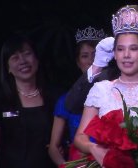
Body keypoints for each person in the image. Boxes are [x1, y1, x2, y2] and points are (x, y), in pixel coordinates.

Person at [74, 5, 138, 166]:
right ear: (114, 53)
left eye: (133, 49)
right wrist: (93, 147)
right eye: (120, 49)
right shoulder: (101, 89)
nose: (126, 55)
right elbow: (79, 137)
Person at [0, 33, 60, 168]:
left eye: (27, 54)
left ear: (37, 59)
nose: (23, 61)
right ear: (7, 68)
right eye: (15, 58)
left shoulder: (55, 97)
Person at [48, 26, 106, 166]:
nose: (91, 61)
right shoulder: (65, 101)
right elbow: (53, 147)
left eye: (96, 55)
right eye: (85, 56)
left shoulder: (119, 93)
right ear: (78, 62)